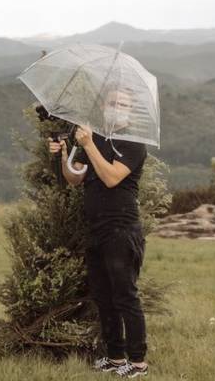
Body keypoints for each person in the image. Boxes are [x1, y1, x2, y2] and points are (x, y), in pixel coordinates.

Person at [50, 89, 150, 378]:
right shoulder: (92, 138)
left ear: (130, 112)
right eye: (113, 102)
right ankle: (115, 357)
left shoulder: (133, 143)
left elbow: (111, 178)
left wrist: (88, 144)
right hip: (95, 229)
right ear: (103, 106)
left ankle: (138, 362)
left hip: (121, 229)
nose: (117, 108)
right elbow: (74, 178)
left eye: (123, 104)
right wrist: (64, 154)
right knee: (103, 296)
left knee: (125, 296)